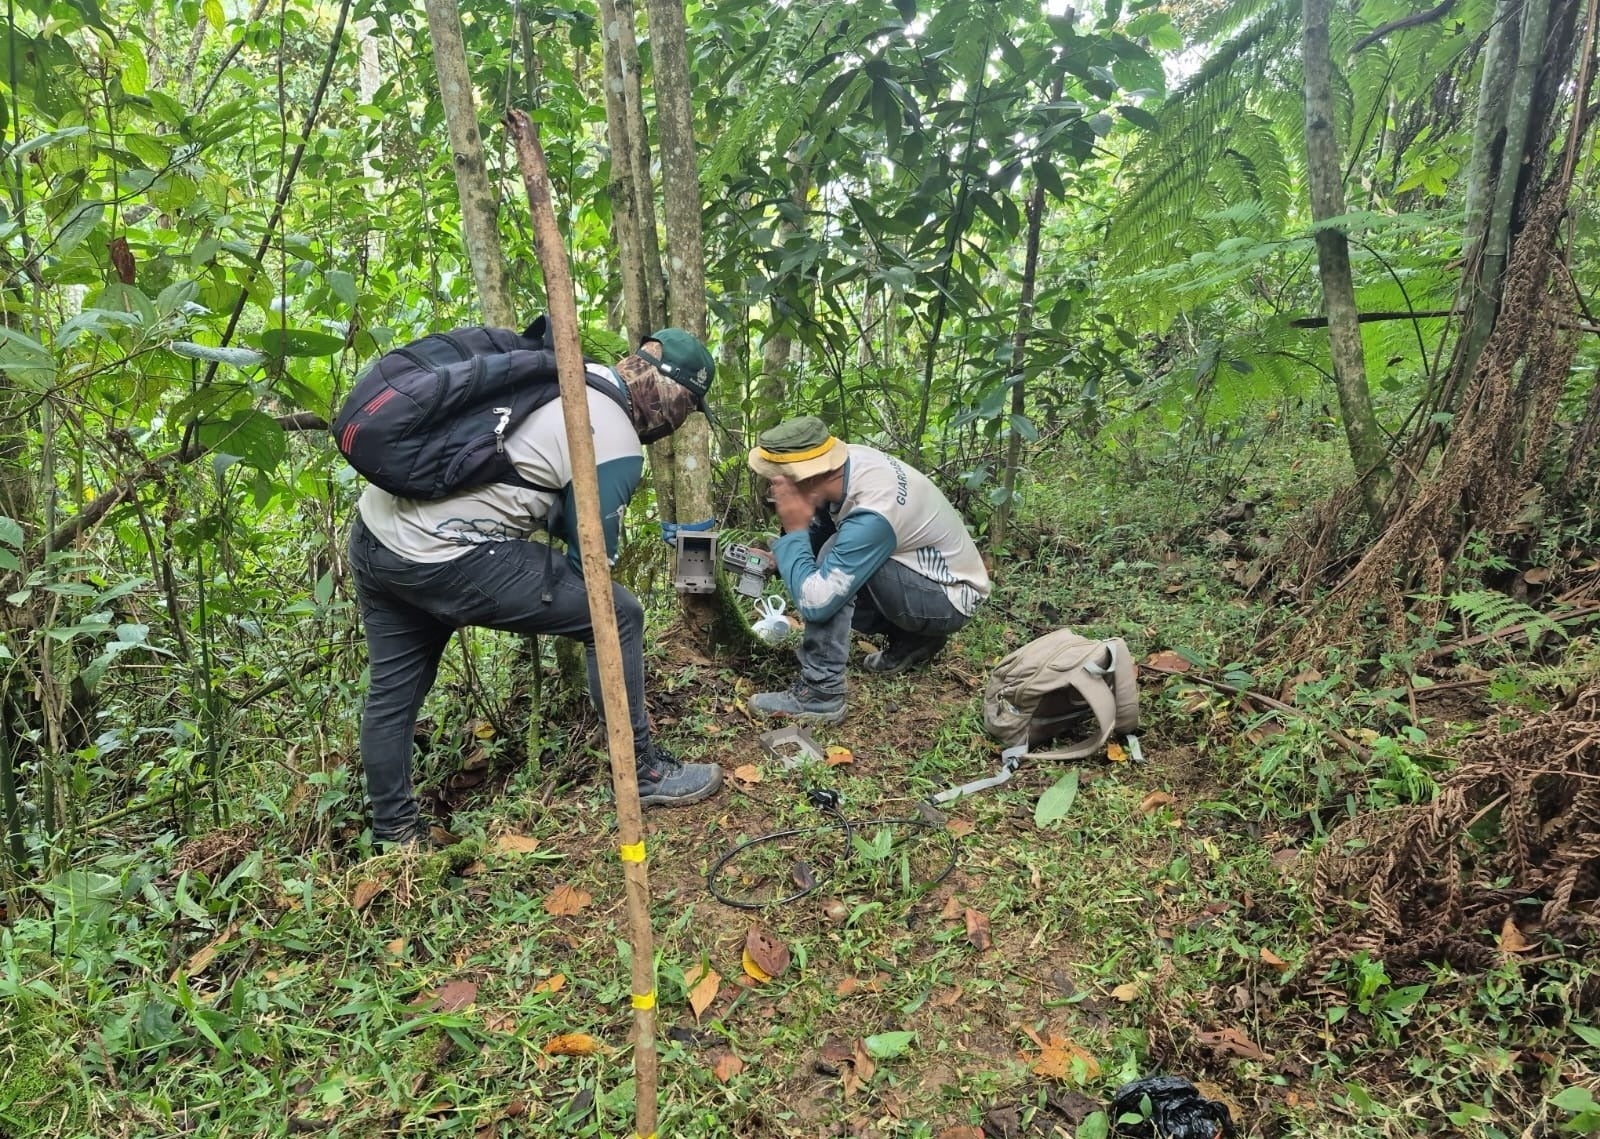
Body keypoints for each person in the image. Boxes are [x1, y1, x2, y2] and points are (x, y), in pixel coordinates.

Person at [348, 326, 725, 848]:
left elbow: (525, 473)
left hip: (377, 539)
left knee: (392, 691)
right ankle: (642, 772)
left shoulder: (564, 374)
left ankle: (394, 832)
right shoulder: (615, 435)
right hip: (448, 554)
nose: (678, 423)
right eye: (685, 408)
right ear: (671, 395)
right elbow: (591, 559)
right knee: (617, 614)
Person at [746, 416, 990, 723]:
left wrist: (794, 531)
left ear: (804, 476)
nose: (774, 488)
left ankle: (822, 693)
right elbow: (823, 526)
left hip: (949, 599)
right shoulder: (844, 467)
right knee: (834, 546)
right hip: (925, 581)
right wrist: (780, 559)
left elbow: (817, 601)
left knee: (832, 560)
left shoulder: (874, 511)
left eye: (779, 480)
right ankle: (913, 640)